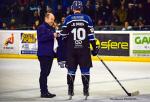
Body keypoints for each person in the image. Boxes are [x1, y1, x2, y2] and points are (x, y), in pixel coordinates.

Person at [59, 0, 98, 98]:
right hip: (84, 50)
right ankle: (85, 91)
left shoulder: (68, 19)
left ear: (72, 8)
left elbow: (63, 35)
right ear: (81, 8)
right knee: (85, 71)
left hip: (71, 50)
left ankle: (70, 91)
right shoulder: (87, 18)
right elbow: (91, 36)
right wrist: (95, 48)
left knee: (71, 71)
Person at [37, 11, 58, 98]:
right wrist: (52, 35)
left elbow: (53, 41)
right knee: (44, 73)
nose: (52, 21)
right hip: (43, 54)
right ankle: (43, 92)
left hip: (49, 54)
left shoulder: (51, 28)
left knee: (46, 73)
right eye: (51, 19)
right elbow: (41, 38)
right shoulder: (41, 27)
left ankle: (45, 91)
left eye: (53, 19)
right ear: (46, 18)